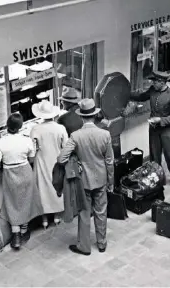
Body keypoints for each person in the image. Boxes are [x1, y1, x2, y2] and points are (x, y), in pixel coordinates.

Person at [58, 98, 114, 256]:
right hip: (101, 177)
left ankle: (84, 246)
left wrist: (76, 163)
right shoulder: (105, 134)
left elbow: (61, 159)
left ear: (81, 117)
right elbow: (110, 162)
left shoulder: (76, 136)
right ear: (95, 115)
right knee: (101, 211)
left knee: (84, 213)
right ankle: (102, 244)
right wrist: (111, 182)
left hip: (83, 180)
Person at [0, 113, 43, 249]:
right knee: (26, 201)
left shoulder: (0, 142)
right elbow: (31, 159)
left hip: (9, 174)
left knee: (12, 203)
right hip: (25, 172)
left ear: (7, 126)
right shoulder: (26, 140)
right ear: (21, 126)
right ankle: (24, 231)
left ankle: (15, 236)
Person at [130, 73, 170, 185]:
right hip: (154, 129)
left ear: (162, 82)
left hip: (167, 130)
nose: (153, 83)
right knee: (154, 155)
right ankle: (157, 178)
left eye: (155, 82)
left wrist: (160, 120)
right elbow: (141, 97)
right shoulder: (153, 90)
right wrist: (127, 94)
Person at [30, 100, 68, 229]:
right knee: (57, 187)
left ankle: (44, 220)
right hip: (57, 161)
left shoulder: (35, 129)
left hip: (41, 162)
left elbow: (32, 149)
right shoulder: (60, 128)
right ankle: (57, 216)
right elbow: (66, 147)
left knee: (42, 189)